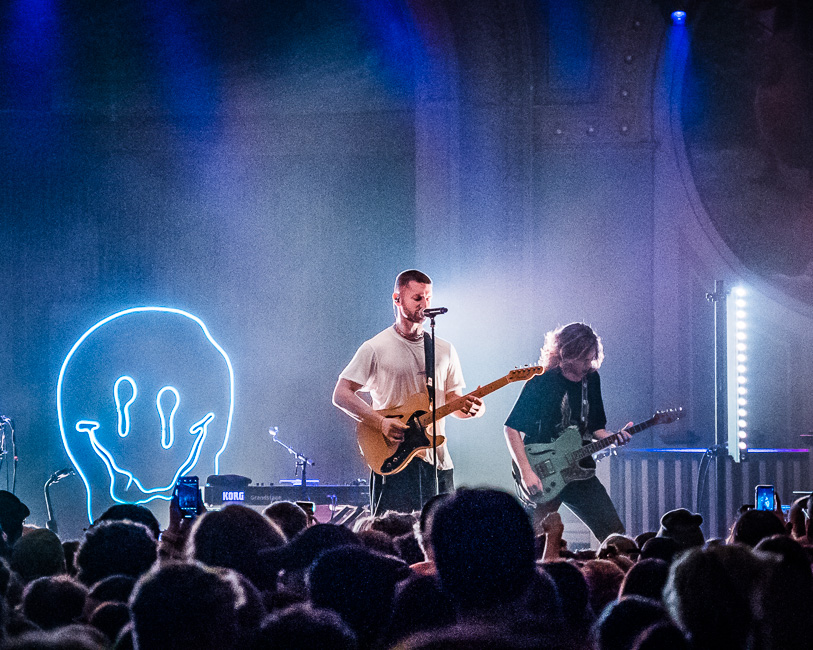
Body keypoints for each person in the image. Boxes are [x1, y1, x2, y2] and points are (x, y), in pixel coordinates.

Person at [333, 269, 484, 514]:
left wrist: (472, 409)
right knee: (393, 535)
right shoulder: (375, 347)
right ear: (397, 299)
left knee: (443, 538)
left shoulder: (444, 349)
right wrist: (381, 423)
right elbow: (341, 393)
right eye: (417, 298)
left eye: (428, 298)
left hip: (438, 461)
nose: (424, 305)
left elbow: (453, 401)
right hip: (395, 459)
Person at [504, 322, 629, 540]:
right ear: (566, 354)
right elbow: (511, 428)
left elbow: (595, 428)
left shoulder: (591, 379)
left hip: (579, 470)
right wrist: (526, 472)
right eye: (583, 359)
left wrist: (614, 437)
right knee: (530, 544)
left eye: (591, 358)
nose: (587, 364)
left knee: (615, 536)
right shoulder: (541, 381)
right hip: (543, 471)